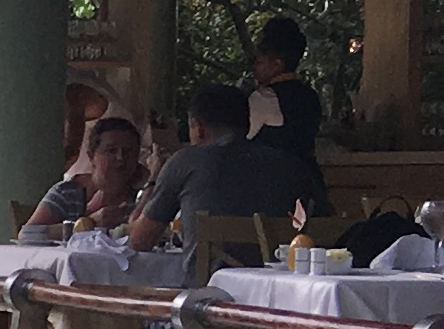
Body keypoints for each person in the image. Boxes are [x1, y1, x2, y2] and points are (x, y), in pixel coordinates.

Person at [126, 84, 309, 253]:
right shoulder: (290, 166)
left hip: (207, 279)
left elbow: (139, 241)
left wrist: (153, 177)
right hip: (278, 278)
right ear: (247, 126)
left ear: (199, 128)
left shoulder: (185, 162)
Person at [245, 15, 330, 215]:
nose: (256, 68)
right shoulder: (310, 96)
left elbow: (241, 140)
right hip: (311, 186)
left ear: (277, 63)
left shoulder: (264, 97)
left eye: (260, 62)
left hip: (273, 192)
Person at [25, 115, 152, 237]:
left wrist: (152, 180)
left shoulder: (142, 195)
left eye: (128, 151)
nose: (120, 158)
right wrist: (88, 223)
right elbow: (27, 234)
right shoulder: (68, 192)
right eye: (111, 150)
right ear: (92, 156)